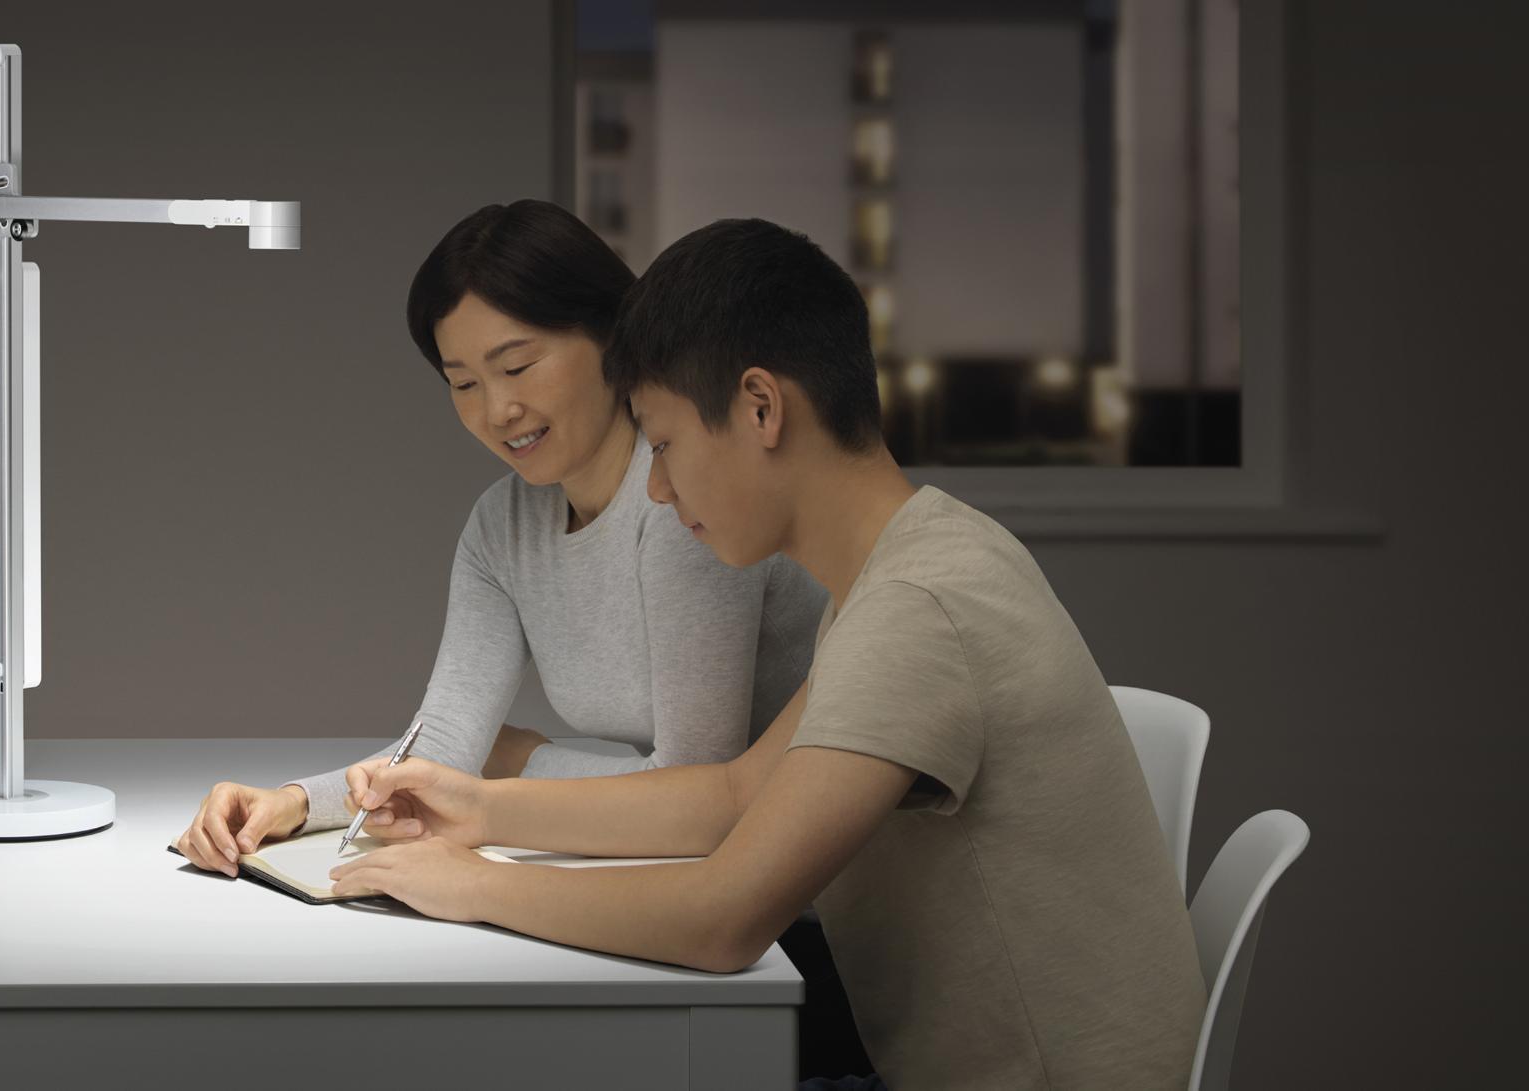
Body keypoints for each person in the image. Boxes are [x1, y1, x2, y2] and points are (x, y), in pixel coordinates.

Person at [325, 219, 1207, 1090]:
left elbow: (723, 920)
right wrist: (480, 809)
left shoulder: (917, 607)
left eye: (664, 444)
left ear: (760, 407)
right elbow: (737, 792)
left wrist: (472, 883)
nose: (659, 488)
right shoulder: (908, 565)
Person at [174, 201, 825, 875]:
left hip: (796, 889)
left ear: (610, 335)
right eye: (463, 383)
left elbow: (697, 788)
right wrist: (292, 804)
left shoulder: (687, 500)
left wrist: (522, 759)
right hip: (684, 873)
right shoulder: (502, 526)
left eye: (517, 366)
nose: (496, 411)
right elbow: (449, 745)